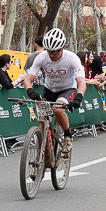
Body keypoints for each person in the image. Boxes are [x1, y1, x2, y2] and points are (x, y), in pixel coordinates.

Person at [21, 28, 86, 157]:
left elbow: (81, 82)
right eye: (49, 51)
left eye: (55, 52)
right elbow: (28, 79)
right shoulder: (41, 57)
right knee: (42, 124)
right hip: (49, 89)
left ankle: (67, 136)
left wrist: (78, 98)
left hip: (67, 89)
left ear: (63, 48)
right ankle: (40, 159)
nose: (51, 55)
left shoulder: (72, 58)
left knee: (57, 109)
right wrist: (31, 92)